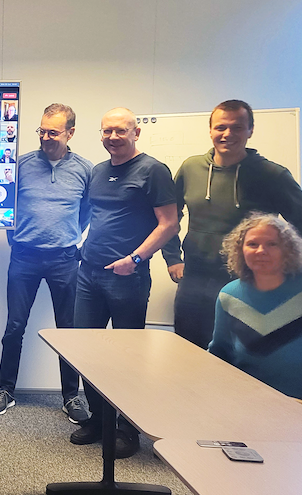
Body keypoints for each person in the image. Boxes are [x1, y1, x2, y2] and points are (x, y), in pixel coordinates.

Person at [162, 100, 302, 348]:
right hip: (194, 278)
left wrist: (290, 270)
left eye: (237, 127)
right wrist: (172, 258)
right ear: (210, 130)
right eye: (220, 127)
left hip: (246, 280)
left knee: (237, 352)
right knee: (187, 348)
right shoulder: (191, 168)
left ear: (250, 131)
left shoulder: (272, 175)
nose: (227, 134)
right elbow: (168, 216)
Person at [71, 107, 178, 458]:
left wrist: (135, 259)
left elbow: (169, 224)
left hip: (127, 276)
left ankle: (127, 430)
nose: (113, 137)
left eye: (120, 130)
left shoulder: (153, 170)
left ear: (136, 133)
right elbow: (94, 215)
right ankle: (99, 421)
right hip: (89, 273)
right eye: (107, 131)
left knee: (127, 359)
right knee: (85, 351)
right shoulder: (98, 171)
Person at [0, 104, 93, 425]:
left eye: (53, 132)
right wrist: (15, 238)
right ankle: (6, 390)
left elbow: (86, 213)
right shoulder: (20, 165)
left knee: (68, 331)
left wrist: (69, 238)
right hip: (24, 257)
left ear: (70, 133)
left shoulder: (85, 170)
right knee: (14, 326)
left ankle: (71, 396)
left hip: (65, 259)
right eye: (42, 131)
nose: (46, 138)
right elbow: (4, 206)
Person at [209, 213, 302, 403]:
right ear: (240, 250)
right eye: (252, 244)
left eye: (272, 244)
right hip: (246, 401)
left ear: (288, 249)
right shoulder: (229, 295)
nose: (261, 251)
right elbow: (220, 352)